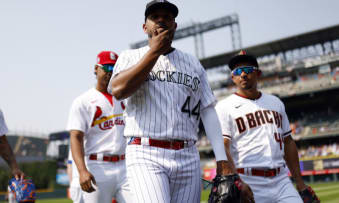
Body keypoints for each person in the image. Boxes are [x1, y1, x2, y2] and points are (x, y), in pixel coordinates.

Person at [110, 1, 253, 202]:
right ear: (145, 27)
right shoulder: (130, 56)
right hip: (146, 153)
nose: (161, 20)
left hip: (187, 156)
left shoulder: (193, 63)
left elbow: (208, 110)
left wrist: (222, 159)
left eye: (167, 17)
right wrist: (154, 52)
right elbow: (118, 90)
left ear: (175, 25)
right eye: (154, 17)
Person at [215, 51, 311, 203]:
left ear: (258, 73)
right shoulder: (224, 107)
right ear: (233, 78)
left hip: (281, 180)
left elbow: (288, 142)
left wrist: (299, 182)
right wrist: (237, 182)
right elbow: (222, 147)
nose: (243, 75)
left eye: (247, 69)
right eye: (238, 71)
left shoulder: (276, 103)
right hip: (249, 180)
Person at [68, 51, 133, 203]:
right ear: (96, 69)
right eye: (107, 68)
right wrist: (82, 171)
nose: (110, 73)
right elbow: (76, 137)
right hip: (97, 166)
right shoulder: (83, 101)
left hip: (125, 166)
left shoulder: (127, 98)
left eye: (114, 69)